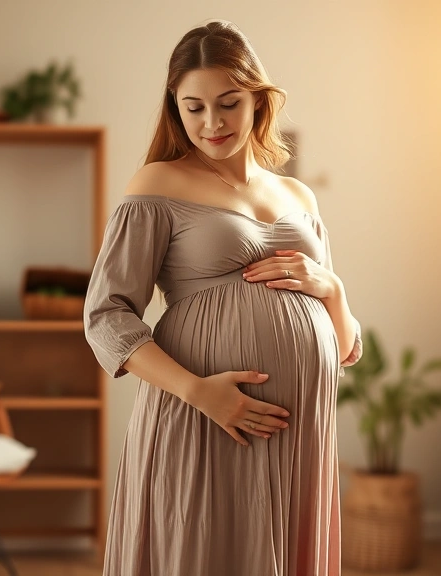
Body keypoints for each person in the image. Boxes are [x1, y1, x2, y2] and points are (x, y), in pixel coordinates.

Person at [83, 20, 362, 576]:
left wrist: (333, 289)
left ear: (258, 100)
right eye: (194, 107)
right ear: (175, 109)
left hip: (299, 435)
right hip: (204, 417)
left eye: (229, 103)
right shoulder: (158, 183)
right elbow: (106, 317)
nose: (212, 123)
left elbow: (348, 347)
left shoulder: (298, 194)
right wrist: (200, 393)